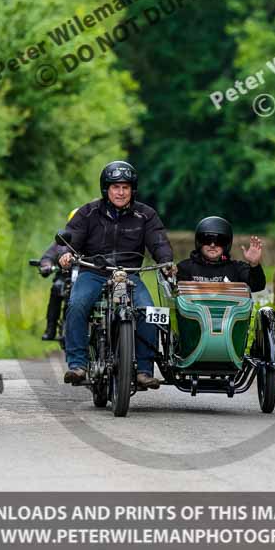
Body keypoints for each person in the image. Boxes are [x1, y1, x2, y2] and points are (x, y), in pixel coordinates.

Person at [58, 160, 173, 389]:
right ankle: (78, 365)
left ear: (132, 190)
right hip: (94, 272)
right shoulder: (88, 212)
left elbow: (159, 241)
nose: (120, 192)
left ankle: (144, 370)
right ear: (106, 189)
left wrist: (166, 261)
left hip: (129, 275)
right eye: (115, 187)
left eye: (125, 187)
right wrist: (66, 255)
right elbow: (71, 238)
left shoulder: (145, 215)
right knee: (77, 304)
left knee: (149, 311)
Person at [176, 216, 266, 292]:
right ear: (199, 242)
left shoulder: (237, 268)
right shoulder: (184, 268)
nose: (212, 245)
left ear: (226, 244)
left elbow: (257, 286)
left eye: (219, 241)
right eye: (207, 240)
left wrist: (254, 265)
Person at [39, 208, 79, 341]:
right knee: (57, 287)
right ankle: (51, 328)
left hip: (86, 276)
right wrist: (46, 265)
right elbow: (48, 256)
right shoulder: (61, 241)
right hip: (65, 277)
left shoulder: (94, 240)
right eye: (75, 223)